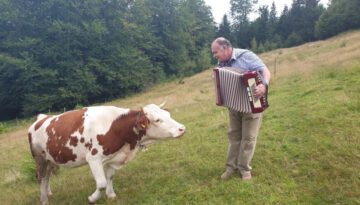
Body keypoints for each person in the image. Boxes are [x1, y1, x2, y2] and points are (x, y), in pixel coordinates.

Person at [211, 37, 271, 180]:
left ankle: (244, 169)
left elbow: (265, 71)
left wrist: (264, 85)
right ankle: (230, 168)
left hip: (253, 104)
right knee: (234, 136)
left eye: (215, 52)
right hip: (234, 106)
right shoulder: (221, 63)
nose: (215, 56)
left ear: (225, 48)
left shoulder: (246, 56)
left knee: (248, 138)